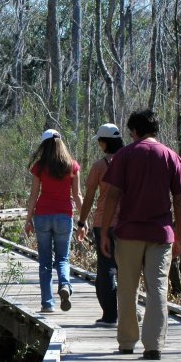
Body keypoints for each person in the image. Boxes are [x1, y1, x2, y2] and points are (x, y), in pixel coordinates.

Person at [99, 110, 181, 360]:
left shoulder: (125, 155)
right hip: (161, 235)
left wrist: (105, 231)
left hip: (128, 233)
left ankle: (127, 342)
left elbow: (112, 196)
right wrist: (180, 236)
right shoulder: (172, 156)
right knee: (158, 288)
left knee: (127, 288)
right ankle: (153, 346)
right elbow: (180, 201)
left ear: (135, 131)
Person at [25, 129, 83, 313]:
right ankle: (65, 285)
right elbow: (78, 195)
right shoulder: (72, 166)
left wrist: (28, 219)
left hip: (42, 216)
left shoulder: (39, 167)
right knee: (62, 259)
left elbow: (34, 195)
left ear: (45, 146)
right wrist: (83, 220)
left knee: (45, 261)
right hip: (64, 217)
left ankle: (47, 303)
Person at [75, 123, 124, 326]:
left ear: (104, 143)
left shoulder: (99, 166)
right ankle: (128, 312)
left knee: (106, 270)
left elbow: (88, 197)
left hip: (103, 222)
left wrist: (81, 221)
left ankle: (110, 316)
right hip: (128, 223)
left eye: (100, 142)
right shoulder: (130, 161)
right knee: (127, 269)